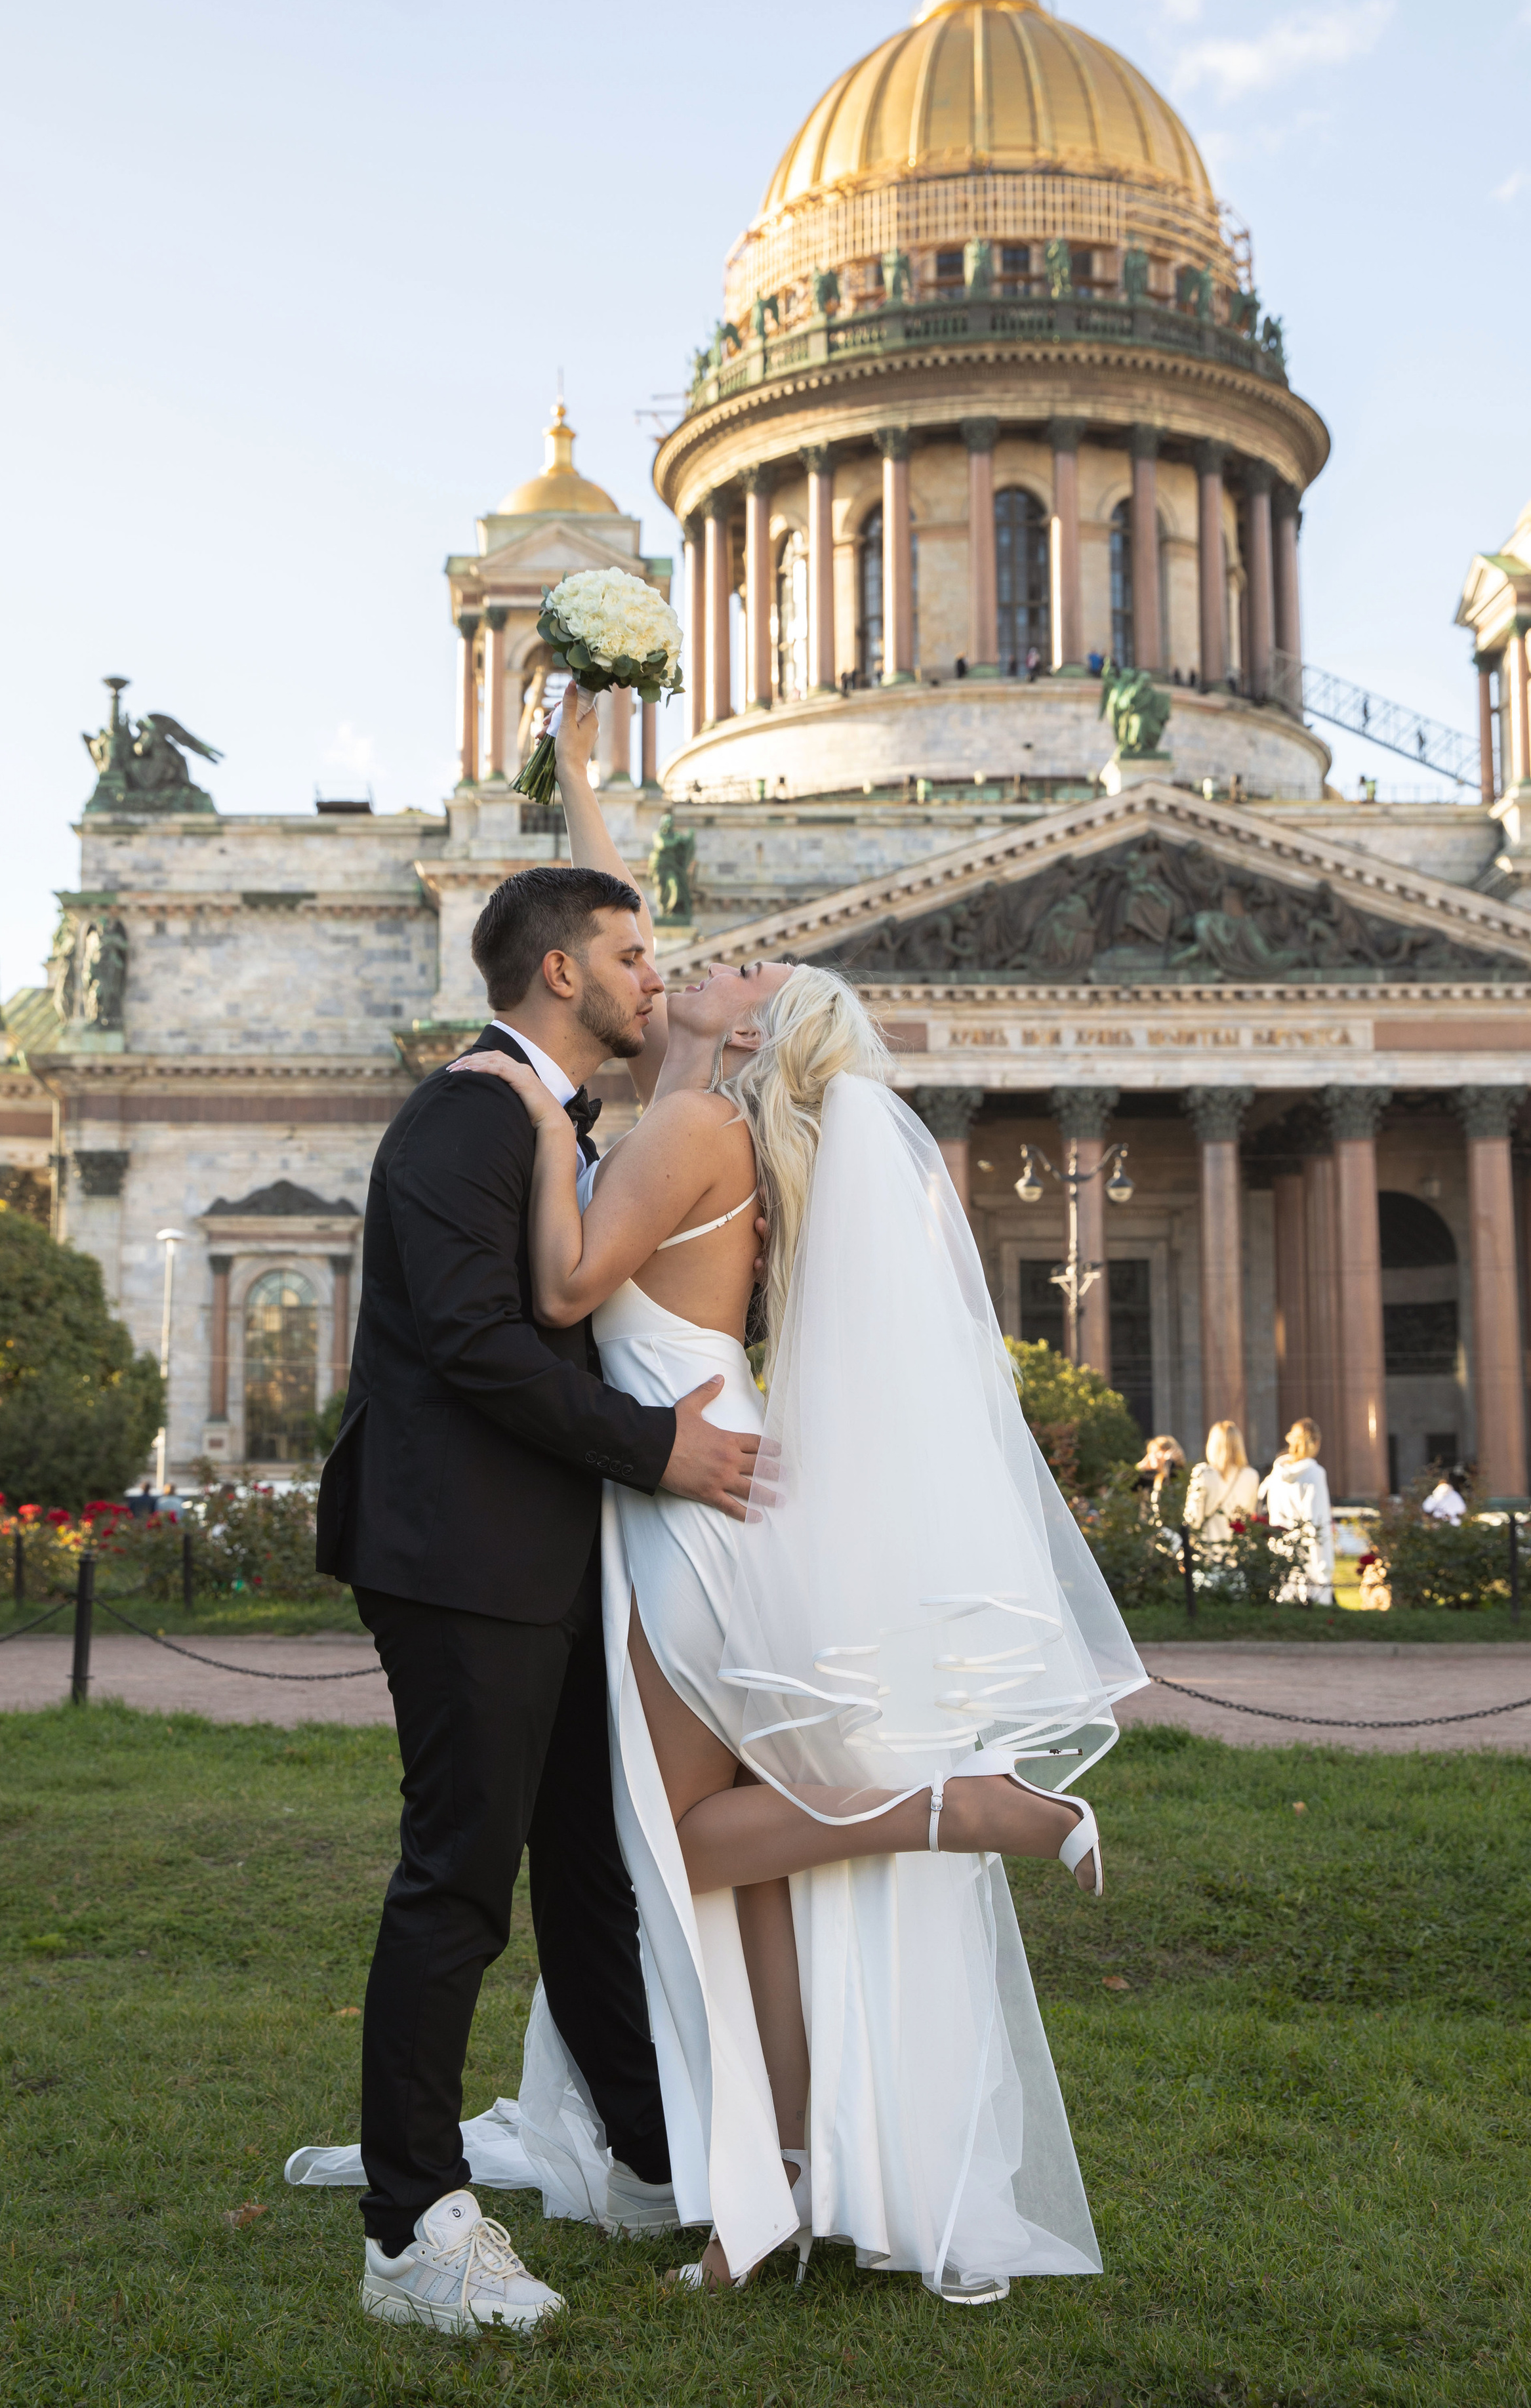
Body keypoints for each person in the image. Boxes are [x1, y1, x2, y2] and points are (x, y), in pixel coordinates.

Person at [440, 689, 1147, 2306]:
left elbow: (558, 1293)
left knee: (684, 1847)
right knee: (743, 1871)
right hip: (724, 1489)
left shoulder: (681, 1124)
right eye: (659, 959)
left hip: (688, 1510)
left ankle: (958, 1810)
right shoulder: (707, 1118)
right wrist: (577, 781)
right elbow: (612, 940)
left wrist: (524, 1100)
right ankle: (770, 2195)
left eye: (735, 970)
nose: (693, 961)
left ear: (753, 1031)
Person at [315, 844, 769, 2336]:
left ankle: (641, 2155)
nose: (658, 975)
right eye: (634, 957)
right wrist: (662, 1448)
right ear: (561, 970)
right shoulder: (465, 1110)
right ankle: (411, 2223)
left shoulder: (549, 1115)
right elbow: (475, 1342)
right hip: (462, 1554)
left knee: (591, 1866)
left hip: (548, 1552)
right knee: (457, 1878)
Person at [1261, 1419, 1334, 1604]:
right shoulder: (1314, 1473)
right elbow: (1317, 1522)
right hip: (1308, 1557)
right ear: (1316, 1442)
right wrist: (1323, 1570)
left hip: (1280, 1550)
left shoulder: (1276, 1474)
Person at [1183, 1422, 1260, 1547]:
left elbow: (1193, 1519)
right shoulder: (1251, 1475)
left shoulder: (1203, 1473)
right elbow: (1249, 1516)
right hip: (1240, 1550)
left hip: (1208, 1548)